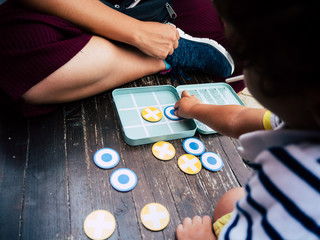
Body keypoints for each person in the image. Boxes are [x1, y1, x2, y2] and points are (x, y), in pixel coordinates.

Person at [174, 0, 320, 239]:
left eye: (247, 58)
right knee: (233, 199)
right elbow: (238, 119)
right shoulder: (304, 115)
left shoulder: (303, 195)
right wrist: (196, 108)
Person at [0, 0, 234, 117]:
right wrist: (135, 32)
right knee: (16, 52)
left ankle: (165, 50)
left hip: (148, 8)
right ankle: (171, 56)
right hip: (81, 10)